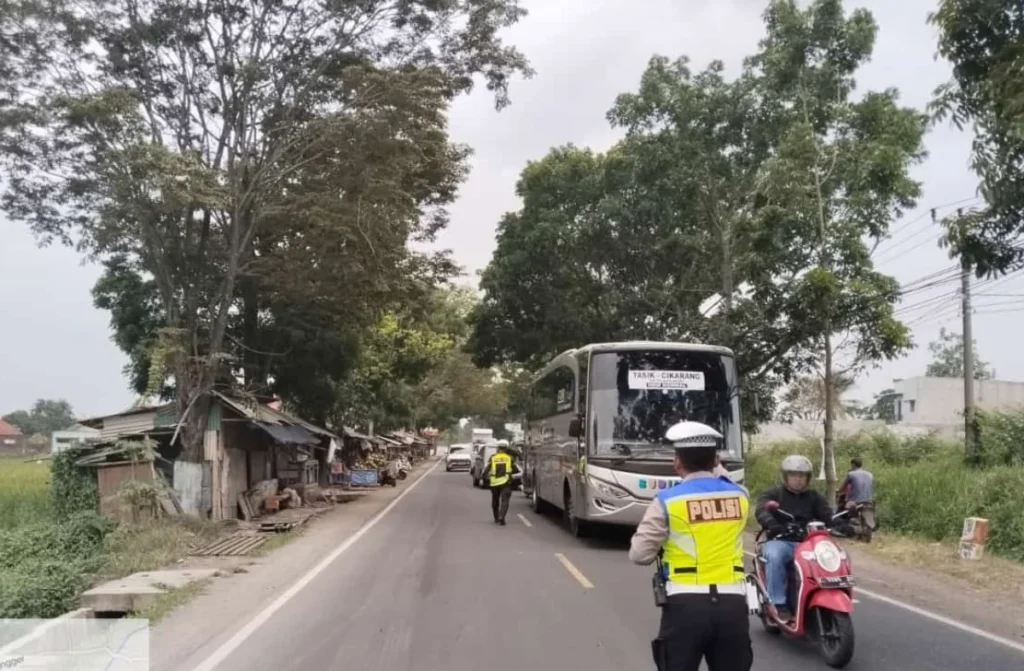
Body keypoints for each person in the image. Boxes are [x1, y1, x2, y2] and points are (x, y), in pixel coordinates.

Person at [629, 421, 753, 671]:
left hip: (685, 607)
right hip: (733, 605)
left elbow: (640, 554)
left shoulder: (667, 501)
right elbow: (725, 480)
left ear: (677, 462)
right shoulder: (740, 496)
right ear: (716, 458)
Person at [755, 454, 841, 623]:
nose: (798, 479)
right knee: (774, 556)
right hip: (781, 540)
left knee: (835, 557)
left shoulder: (815, 497)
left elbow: (827, 516)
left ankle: (816, 598)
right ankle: (778, 605)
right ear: (786, 476)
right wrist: (772, 523)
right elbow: (762, 510)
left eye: (802, 476)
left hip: (809, 543)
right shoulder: (774, 493)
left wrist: (843, 525)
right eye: (793, 475)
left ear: (808, 478)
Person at [840, 457, 876, 531]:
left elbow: (843, 488)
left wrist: (838, 491)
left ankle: (852, 523)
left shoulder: (851, 474)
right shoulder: (870, 474)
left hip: (854, 502)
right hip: (869, 501)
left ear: (853, 465)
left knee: (845, 509)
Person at [487, 443, 516, 525]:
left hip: (494, 483)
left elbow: (487, 468)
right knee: (505, 501)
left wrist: (482, 478)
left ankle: (496, 518)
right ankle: (502, 516)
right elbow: (515, 469)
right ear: (506, 449)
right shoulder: (509, 458)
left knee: (495, 501)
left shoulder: (493, 457)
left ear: (498, 449)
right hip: (506, 482)